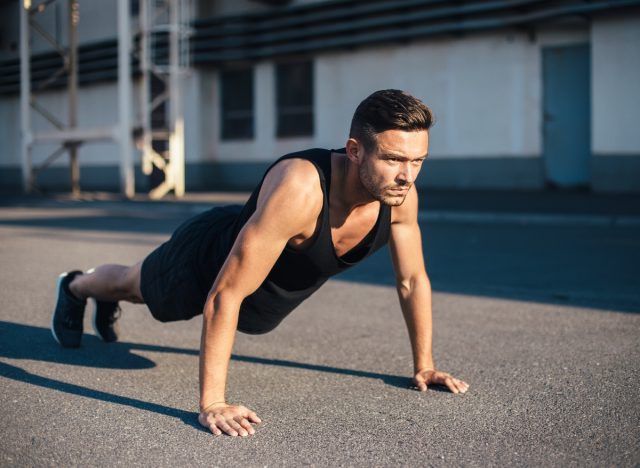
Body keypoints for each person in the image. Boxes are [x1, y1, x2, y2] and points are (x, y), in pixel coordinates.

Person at [51, 89, 469, 437]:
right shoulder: (301, 189)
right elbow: (226, 291)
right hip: (206, 260)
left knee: (221, 309)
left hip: (259, 289)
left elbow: (412, 280)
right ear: (355, 151)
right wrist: (212, 402)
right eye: (394, 159)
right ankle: (75, 287)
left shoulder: (400, 200)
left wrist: (425, 365)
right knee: (133, 285)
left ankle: (97, 294)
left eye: (418, 161)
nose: (407, 175)